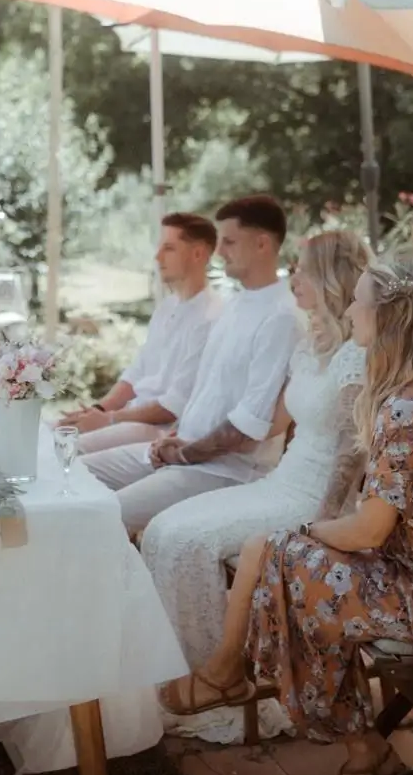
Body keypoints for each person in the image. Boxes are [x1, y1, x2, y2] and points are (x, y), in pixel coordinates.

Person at [161, 255, 413, 775]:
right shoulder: (407, 392)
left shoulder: (411, 406)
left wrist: (304, 532)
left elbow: (369, 528)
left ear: (387, 316)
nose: (348, 309)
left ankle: (266, 696)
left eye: (359, 301)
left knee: (284, 559)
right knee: (279, 557)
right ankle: (280, 703)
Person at [141, 229, 368, 742]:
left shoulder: (357, 353)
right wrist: (188, 443)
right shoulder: (314, 344)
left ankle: (218, 686)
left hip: (317, 498)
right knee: (162, 530)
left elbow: (355, 448)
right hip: (281, 480)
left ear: (330, 277)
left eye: (304, 270)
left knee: (189, 541)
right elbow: (270, 423)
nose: (295, 278)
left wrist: (325, 520)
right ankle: (185, 675)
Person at [82, 196, 300, 532]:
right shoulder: (236, 303)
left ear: (262, 244)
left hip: (224, 471)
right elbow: (206, 390)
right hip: (184, 449)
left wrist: (183, 453)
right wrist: (173, 439)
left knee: (97, 519)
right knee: (74, 473)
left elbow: (250, 427)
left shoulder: (281, 317)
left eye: (229, 241)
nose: (220, 251)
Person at [59, 214, 224, 454]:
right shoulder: (167, 307)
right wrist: (98, 410)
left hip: (163, 429)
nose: (158, 258)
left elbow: (174, 406)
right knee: (50, 431)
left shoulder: (211, 318)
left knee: (66, 448)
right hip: (130, 418)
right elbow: (136, 374)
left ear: (198, 254)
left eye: (169, 248)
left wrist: (110, 419)